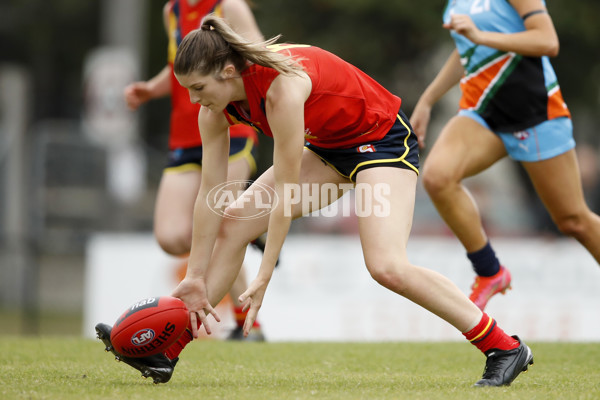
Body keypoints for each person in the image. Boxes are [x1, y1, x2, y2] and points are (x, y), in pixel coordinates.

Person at [107, 14, 533, 387]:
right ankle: (168, 351)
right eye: (188, 90)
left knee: (387, 266)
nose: (194, 99)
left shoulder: (281, 91)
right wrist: (196, 276)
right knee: (234, 220)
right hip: (329, 148)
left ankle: (504, 348)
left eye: (198, 87)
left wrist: (265, 275)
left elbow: (287, 193)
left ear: (227, 71)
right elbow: (209, 197)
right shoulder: (213, 110)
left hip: (381, 141)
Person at [95, 0, 267, 379]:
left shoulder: (229, 6)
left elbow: (259, 58)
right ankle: (247, 229)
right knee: (173, 236)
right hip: (186, 136)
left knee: (223, 220)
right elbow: (182, 69)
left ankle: (243, 324)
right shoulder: (171, 10)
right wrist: (150, 90)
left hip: (232, 126)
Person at [409, 0, 600, 312]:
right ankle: (490, 271)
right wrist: (428, 100)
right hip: (482, 112)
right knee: (437, 176)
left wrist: (482, 36)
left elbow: (547, 41)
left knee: (573, 220)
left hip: (536, 112)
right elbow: (466, 48)